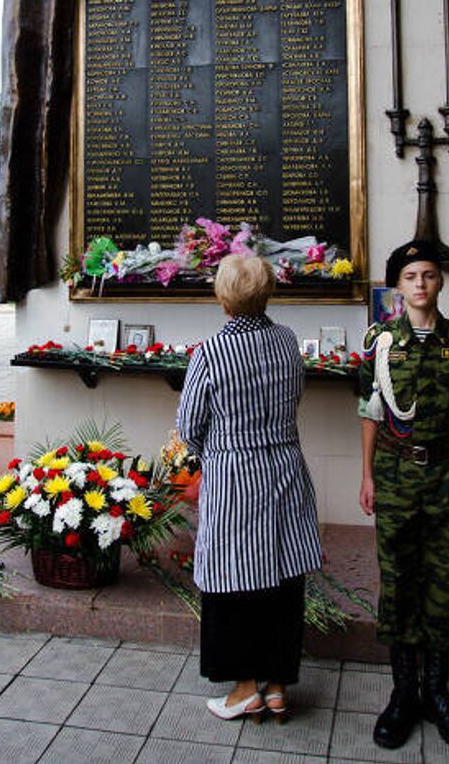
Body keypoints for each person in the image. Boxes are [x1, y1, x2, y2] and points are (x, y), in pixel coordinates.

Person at [358, 239, 449, 752]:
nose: (420, 283)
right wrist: (367, 476)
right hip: (394, 477)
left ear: (440, 282)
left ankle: (438, 693)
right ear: (398, 285)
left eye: (429, 275)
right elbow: (371, 412)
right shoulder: (379, 339)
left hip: (445, 479)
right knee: (396, 581)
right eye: (411, 276)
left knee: (441, 581)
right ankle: (402, 695)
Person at [176, 253, 321, 724]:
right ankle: (277, 686)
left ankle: (243, 690)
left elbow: (188, 426)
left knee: (232, 582)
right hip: (284, 467)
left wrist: (217, 448)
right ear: (268, 292)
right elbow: (296, 398)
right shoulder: (286, 341)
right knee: (282, 579)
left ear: (222, 298)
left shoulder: (211, 353)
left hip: (235, 478)